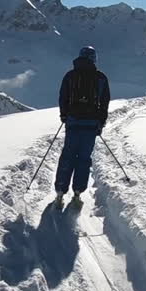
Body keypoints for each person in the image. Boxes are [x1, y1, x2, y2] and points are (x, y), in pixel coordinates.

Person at [55, 46, 111, 203]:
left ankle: (60, 190)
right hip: (91, 125)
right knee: (84, 158)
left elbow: (63, 97)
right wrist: (101, 122)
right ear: (94, 59)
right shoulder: (101, 78)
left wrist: (64, 115)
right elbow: (104, 102)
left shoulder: (70, 76)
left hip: (73, 123)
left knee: (68, 156)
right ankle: (78, 191)